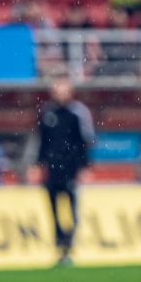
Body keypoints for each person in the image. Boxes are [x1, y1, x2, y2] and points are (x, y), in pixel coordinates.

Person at [36, 76, 95, 265]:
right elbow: (42, 143)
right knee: (54, 211)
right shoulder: (47, 113)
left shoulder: (78, 113)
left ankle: (69, 245)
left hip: (71, 170)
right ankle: (59, 244)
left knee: (72, 211)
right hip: (53, 172)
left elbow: (84, 142)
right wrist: (39, 165)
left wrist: (84, 167)